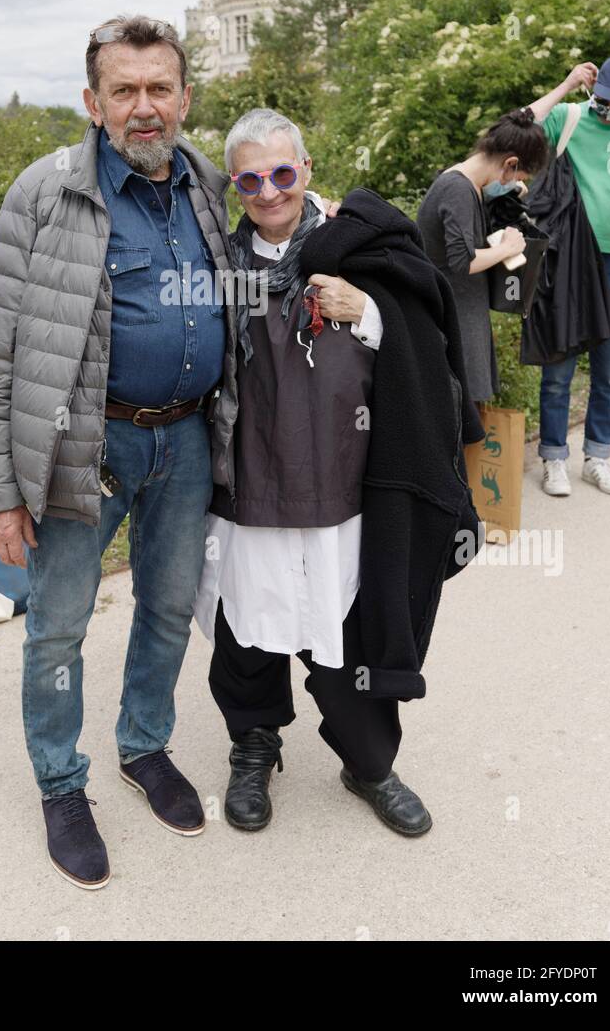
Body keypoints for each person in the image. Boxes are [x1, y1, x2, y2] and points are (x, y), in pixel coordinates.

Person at [0, 15, 238, 890]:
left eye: (161, 88)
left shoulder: (202, 180)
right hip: (85, 444)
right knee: (58, 628)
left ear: (185, 98)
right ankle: (59, 783)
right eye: (125, 90)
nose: (145, 107)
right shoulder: (44, 193)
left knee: (166, 609)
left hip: (188, 436)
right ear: (93, 102)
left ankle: (145, 746)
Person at [195, 108, 483, 838]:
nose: (269, 191)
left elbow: (431, 333)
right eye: (252, 178)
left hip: (348, 489)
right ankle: (253, 744)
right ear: (236, 184)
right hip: (249, 487)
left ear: (307, 171)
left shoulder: (363, 249)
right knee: (248, 631)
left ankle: (369, 764)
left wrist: (373, 313)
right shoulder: (216, 265)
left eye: (283, 173)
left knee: (348, 634)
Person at [526, 56, 610, 497]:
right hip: (566, 259)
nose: (609, 111)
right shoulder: (570, 116)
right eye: (604, 101)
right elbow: (520, 125)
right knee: (558, 367)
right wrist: (567, 83)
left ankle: (598, 457)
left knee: (608, 372)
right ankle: (554, 458)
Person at [416, 108, 550, 407]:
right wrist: (507, 249)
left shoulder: (469, 185)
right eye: (519, 174)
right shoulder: (458, 190)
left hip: (464, 312)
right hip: (454, 317)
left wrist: (505, 195)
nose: (516, 180)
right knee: (461, 415)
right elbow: (463, 261)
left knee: (468, 412)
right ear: (510, 163)